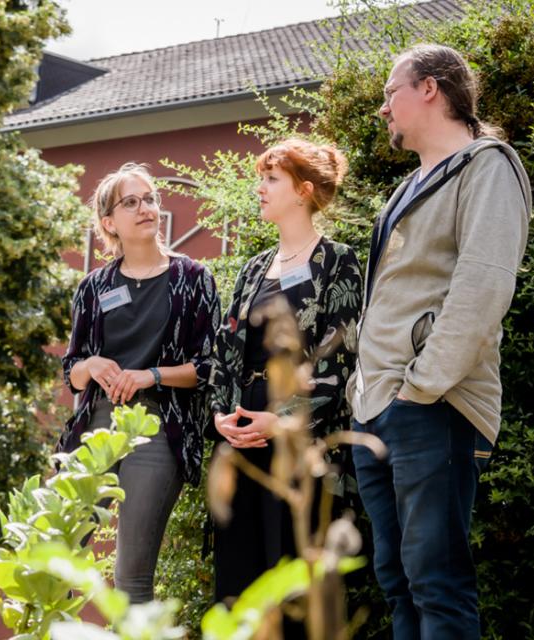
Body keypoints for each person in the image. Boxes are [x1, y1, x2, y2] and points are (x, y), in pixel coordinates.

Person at [347, 44, 532, 639]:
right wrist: (363, 395)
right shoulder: (406, 188)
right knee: (398, 583)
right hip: (377, 408)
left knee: (436, 583)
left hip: (435, 405)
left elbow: (483, 286)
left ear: (430, 88)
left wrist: (420, 388)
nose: (383, 109)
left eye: (390, 93)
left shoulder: (488, 167)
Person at [208, 138, 361, 615]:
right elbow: (224, 348)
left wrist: (282, 421)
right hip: (243, 435)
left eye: (271, 179)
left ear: (303, 191)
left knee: (295, 577)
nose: (260, 188)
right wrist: (220, 415)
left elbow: (341, 356)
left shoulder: (339, 261)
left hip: (301, 440)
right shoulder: (253, 269)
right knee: (239, 583)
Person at [60, 163, 220, 603]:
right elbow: (72, 370)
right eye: (130, 202)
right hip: (96, 427)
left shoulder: (193, 279)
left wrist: (152, 374)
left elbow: (208, 366)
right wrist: (92, 365)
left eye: (149, 199)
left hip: (158, 430)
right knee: (58, 557)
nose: (145, 208)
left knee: (131, 578)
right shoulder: (94, 287)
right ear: (109, 222)